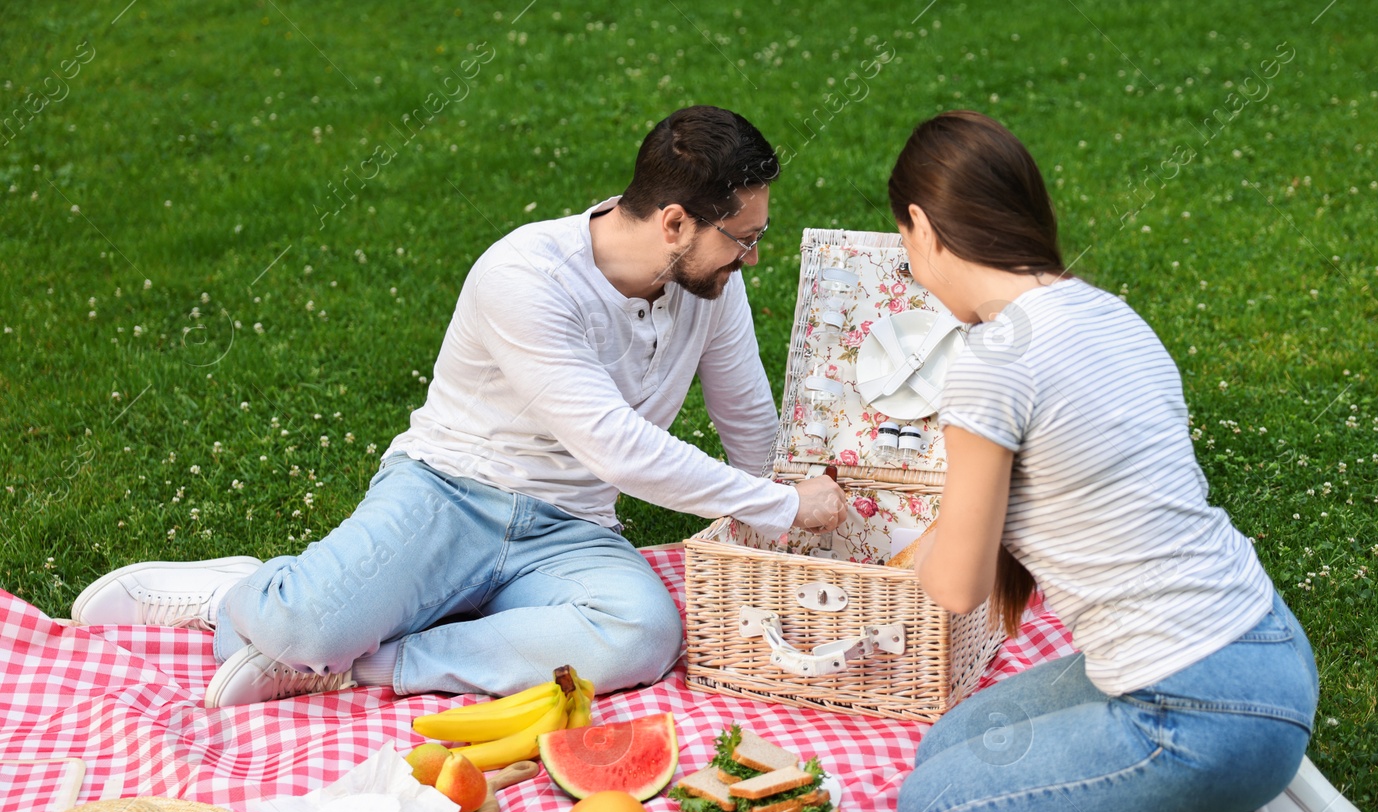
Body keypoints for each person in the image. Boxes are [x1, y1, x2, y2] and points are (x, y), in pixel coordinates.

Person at [72, 106, 848, 708]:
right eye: (741, 237)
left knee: (643, 636)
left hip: (573, 530)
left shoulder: (712, 285)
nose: (751, 256)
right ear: (674, 220)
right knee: (300, 627)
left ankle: (381, 659)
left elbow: (746, 416)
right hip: (449, 492)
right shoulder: (525, 275)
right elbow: (615, 447)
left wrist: (787, 541)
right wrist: (781, 504)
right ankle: (243, 591)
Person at [891, 112, 1378, 812]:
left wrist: (905, 554)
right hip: (1272, 649)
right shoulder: (1111, 313)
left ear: (922, 228)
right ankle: (1283, 791)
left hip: (1191, 711)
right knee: (945, 751)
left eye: (906, 249)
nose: (916, 274)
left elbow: (956, 587)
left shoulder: (990, 362)